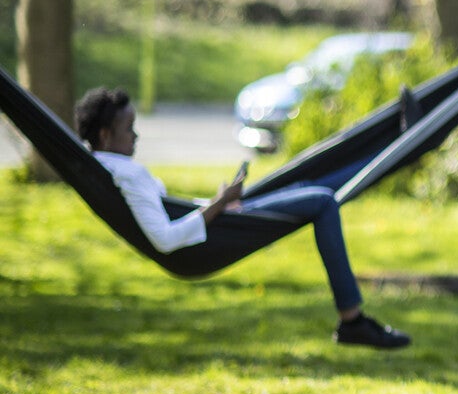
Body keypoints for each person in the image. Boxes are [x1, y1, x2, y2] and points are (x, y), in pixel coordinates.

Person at [75, 87, 410, 349]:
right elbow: (165, 239)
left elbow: (166, 212)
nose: (136, 136)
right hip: (204, 244)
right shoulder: (126, 175)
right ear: (105, 135)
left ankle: (394, 146)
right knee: (322, 201)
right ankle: (351, 319)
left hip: (214, 228)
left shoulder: (105, 167)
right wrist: (219, 203)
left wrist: (218, 203)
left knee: (307, 186)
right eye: (129, 129)